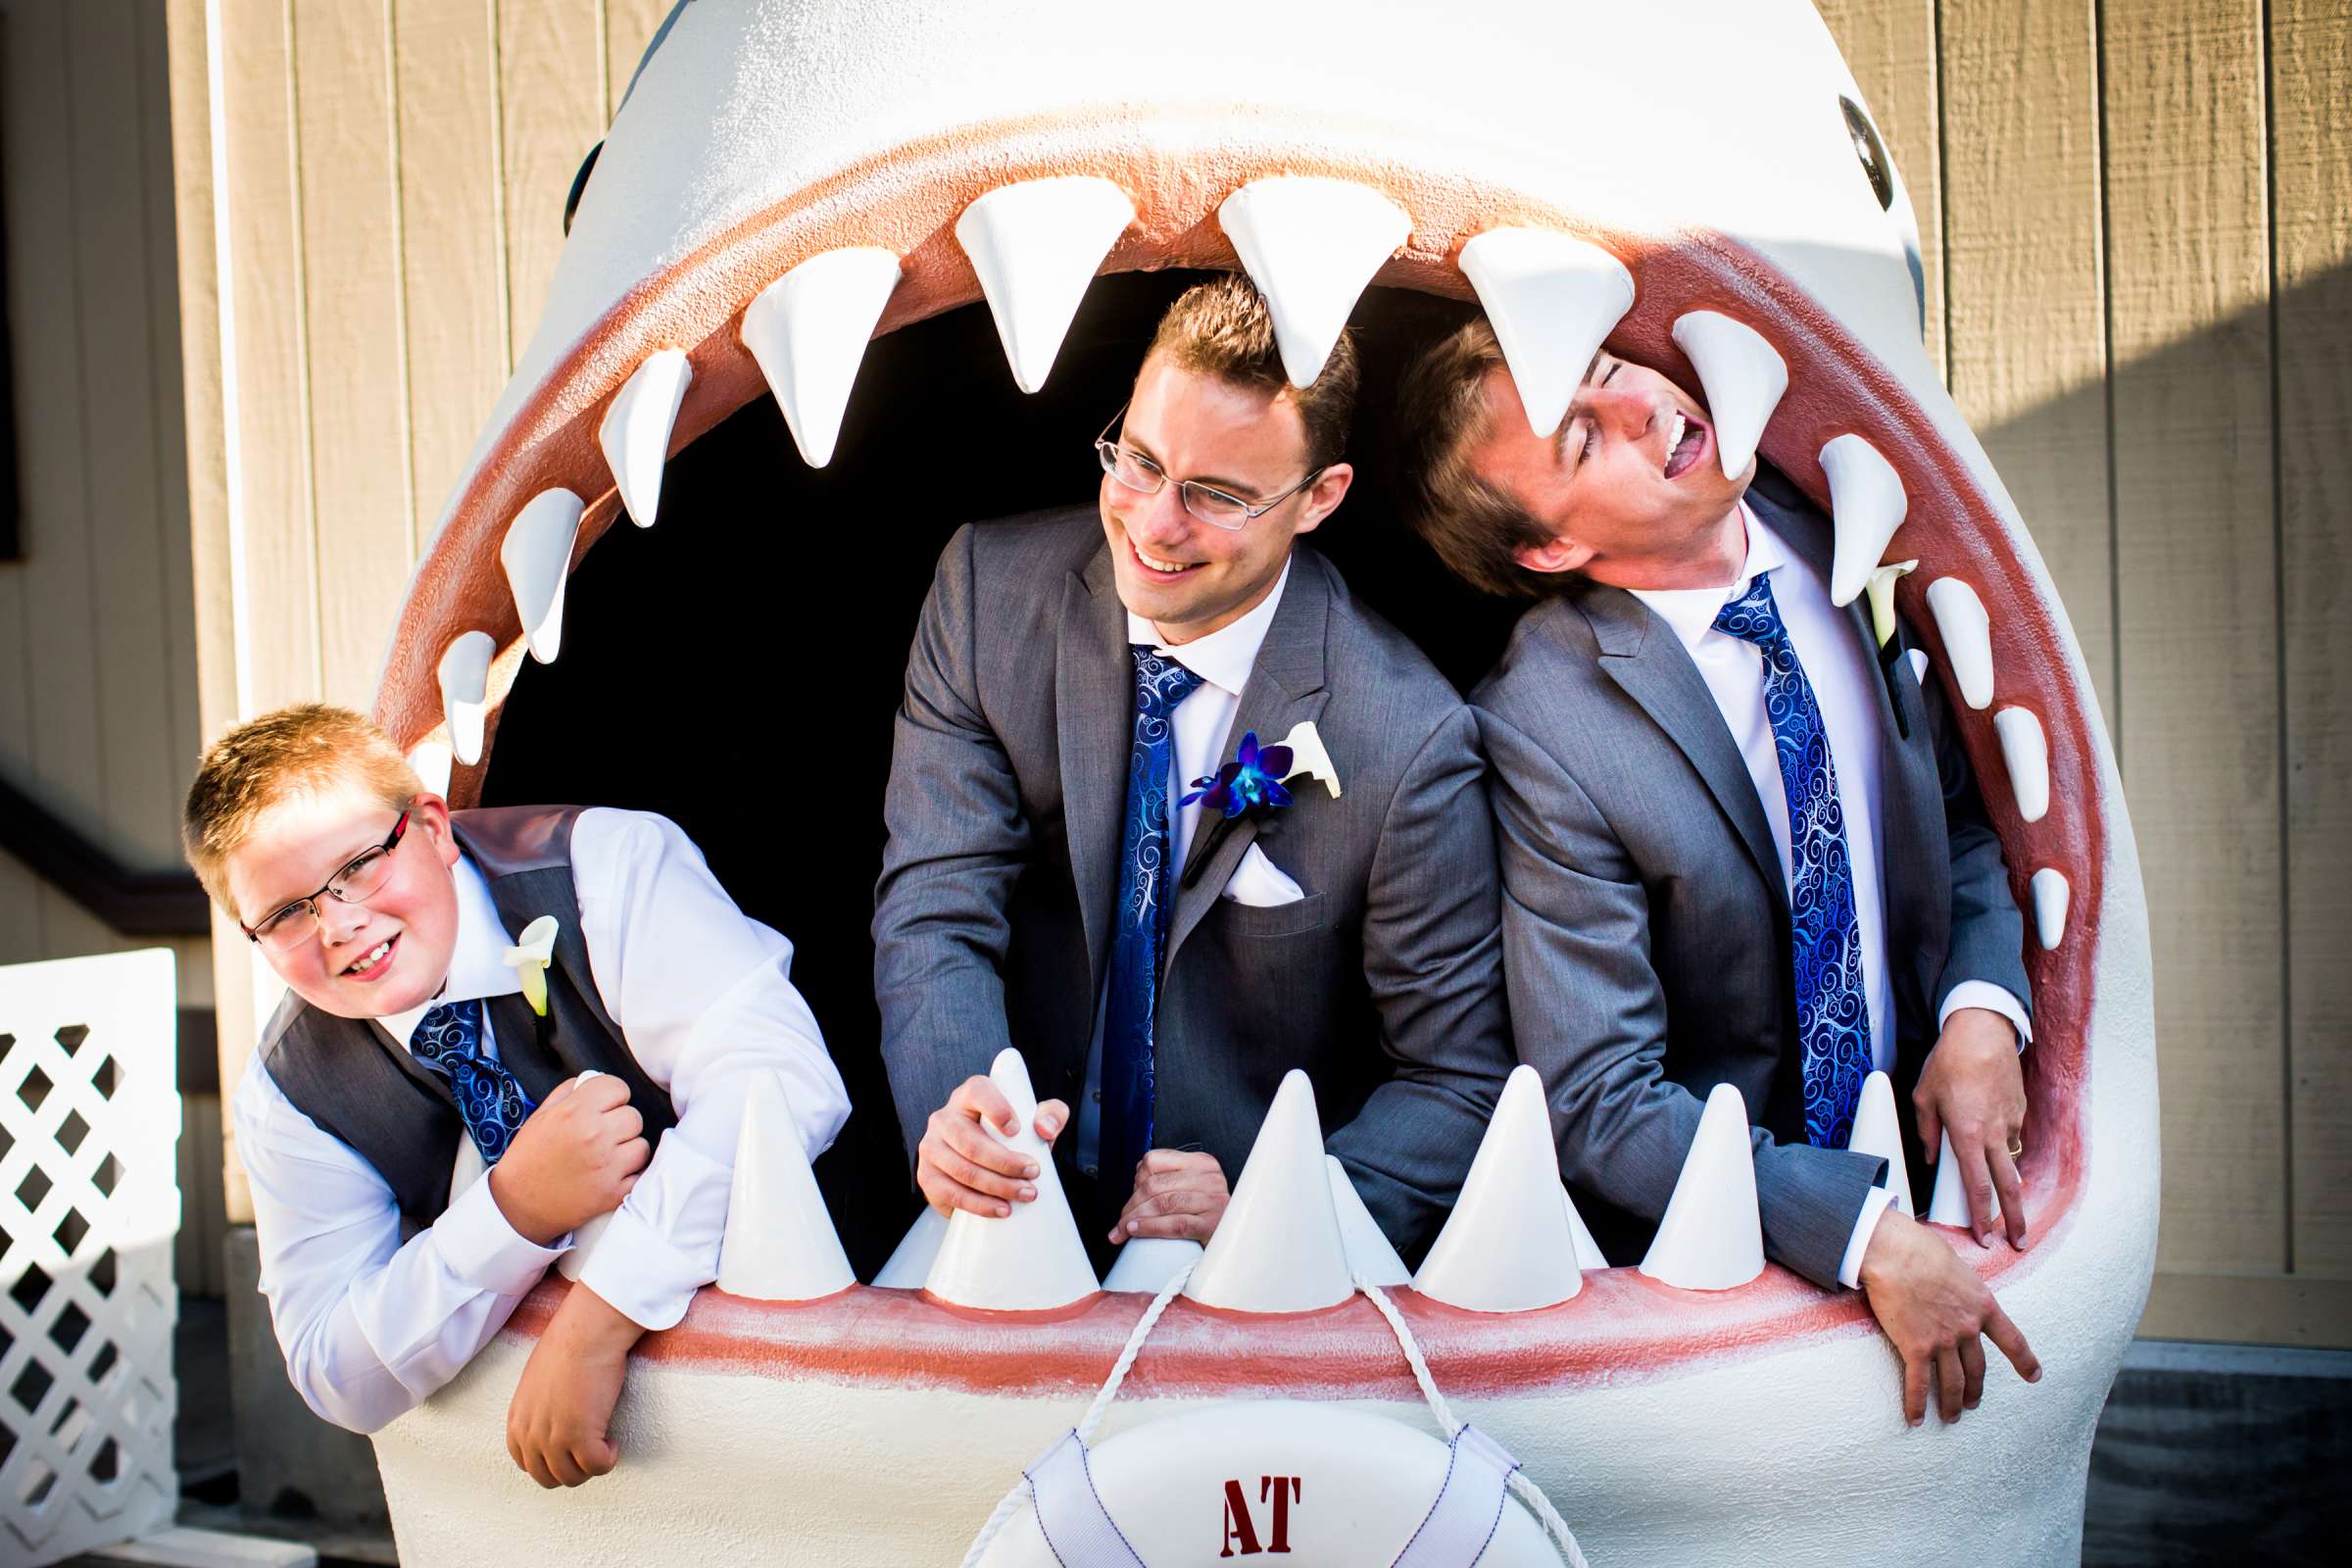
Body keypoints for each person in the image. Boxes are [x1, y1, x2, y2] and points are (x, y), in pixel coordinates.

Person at [1396, 318, 2041, 1425]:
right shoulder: (1540, 723)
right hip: (1732, 1281)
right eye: (1582, 440)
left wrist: (1984, 1013)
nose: (1645, 411)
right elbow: (1600, 1097)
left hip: (1960, 1189)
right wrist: (1858, 1229)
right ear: (1550, 549)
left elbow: (1957, 819)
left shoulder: (1848, 521)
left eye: (1607, 372)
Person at [874, 274, 1512, 1259]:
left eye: (1215, 494)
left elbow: (1455, 1078)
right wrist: (957, 1103)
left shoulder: (1408, 736)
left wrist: (1278, 1207)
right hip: (1001, 1227)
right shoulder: (983, 596)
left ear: (1318, 499)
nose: (1155, 523)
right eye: (1138, 460)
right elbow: (936, 906)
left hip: (1245, 1278)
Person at [183, 705, 848, 1485]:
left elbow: (781, 1081)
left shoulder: (604, 864)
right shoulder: (289, 1089)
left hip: (824, 1356)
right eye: (287, 913)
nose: (338, 924)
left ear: (432, 828)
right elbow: (339, 1375)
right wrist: (514, 1211)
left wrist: (597, 1323)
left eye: (359, 864)